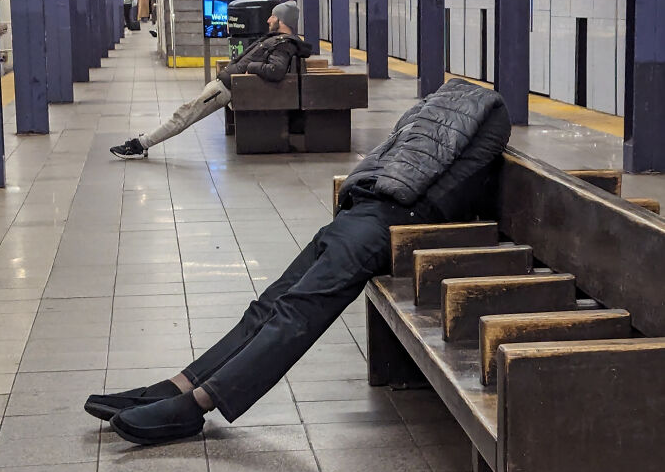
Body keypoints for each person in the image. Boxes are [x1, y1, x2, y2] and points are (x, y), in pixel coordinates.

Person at [85, 78, 511, 445]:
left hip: (377, 217)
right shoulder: (480, 113)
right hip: (375, 215)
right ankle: (178, 386)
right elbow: (447, 189)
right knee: (275, 306)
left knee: (290, 309)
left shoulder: (457, 108)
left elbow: (425, 178)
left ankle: (195, 403)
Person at [109, 0, 311, 159]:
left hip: (225, 89)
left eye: (273, 17)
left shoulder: (284, 44)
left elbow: (276, 70)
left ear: (281, 21)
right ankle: (144, 141)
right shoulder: (276, 39)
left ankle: (141, 144)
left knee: (184, 115)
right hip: (223, 85)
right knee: (185, 111)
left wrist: (251, 67)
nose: (268, 20)